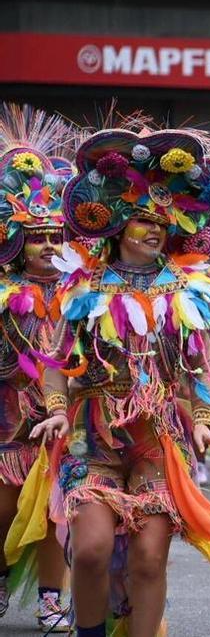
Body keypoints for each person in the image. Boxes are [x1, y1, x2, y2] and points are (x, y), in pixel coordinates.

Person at [31, 128, 210, 636]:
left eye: (161, 222)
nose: (153, 230)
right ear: (118, 226)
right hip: (91, 435)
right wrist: (57, 408)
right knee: (93, 550)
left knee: (149, 558)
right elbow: (57, 359)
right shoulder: (84, 286)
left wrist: (206, 422)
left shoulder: (185, 292)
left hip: (158, 438)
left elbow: (198, 369)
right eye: (142, 220)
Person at [0, 115, 74, 631]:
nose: (48, 245)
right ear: (16, 243)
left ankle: (52, 598)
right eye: (36, 237)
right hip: (9, 422)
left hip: (65, 425)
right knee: (3, 513)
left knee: (56, 514)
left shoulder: (81, 294)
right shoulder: (4, 295)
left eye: (55, 235)